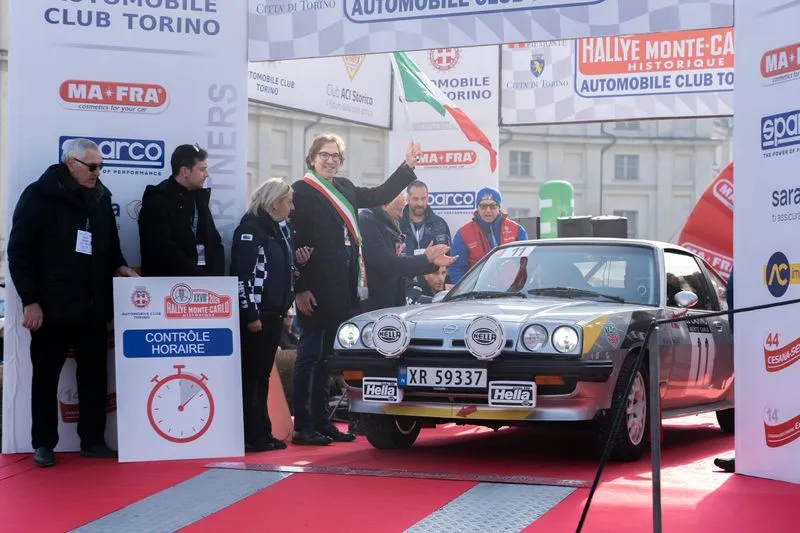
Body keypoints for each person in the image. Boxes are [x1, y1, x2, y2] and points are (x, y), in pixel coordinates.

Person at [7, 138, 138, 467]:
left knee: (94, 376)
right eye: (91, 166)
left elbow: (110, 244)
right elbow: (19, 252)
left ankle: (93, 441)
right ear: (71, 164)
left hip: (92, 306)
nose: (97, 172)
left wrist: (120, 266)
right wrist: (31, 301)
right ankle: (43, 444)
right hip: (51, 308)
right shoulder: (39, 196)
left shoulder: (101, 195)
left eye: (101, 166)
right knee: (46, 377)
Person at [290, 133, 421, 446]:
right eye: (325, 155)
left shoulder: (345, 188)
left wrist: (407, 166)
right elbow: (293, 244)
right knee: (308, 356)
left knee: (328, 358)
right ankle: (303, 424)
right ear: (312, 158)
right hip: (313, 290)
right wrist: (300, 288)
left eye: (336, 155)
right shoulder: (300, 191)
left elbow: (379, 194)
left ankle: (323, 421)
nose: (331, 160)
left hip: (343, 288)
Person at [230, 178, 312, 452]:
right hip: (258, 317)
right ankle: (253, 434)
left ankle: (262, 432)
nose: (291, 207)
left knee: (261, 375)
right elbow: (244, 277)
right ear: (275, 202)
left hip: (273, 313)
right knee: (253, 376)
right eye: (288, 201)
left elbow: (278, 270)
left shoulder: (278, 230)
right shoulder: (251, 229)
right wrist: (251, 315)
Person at [360, 191, 456, 311]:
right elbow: (389, 265)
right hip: (375, 302)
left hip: (393, 300)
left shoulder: (390, 222)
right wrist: (426, 258)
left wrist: (432, 263)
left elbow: (402, 263)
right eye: (398, 209)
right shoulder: (367, 223)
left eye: (402, 209)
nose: (401, 215)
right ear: (385, 205)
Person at [138, 144, 224, 277]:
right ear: (185, 171)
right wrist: (197, 276)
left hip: (203, 288)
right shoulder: (157, 199)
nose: (206, 175)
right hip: (166, 288)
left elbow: (214, 242)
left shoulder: (199, 199)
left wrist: (214, 277)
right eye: (202, 169)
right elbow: (162, 249)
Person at [448, 187, 529, 283]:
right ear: (477, 207)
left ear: (499, 207)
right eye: (483, 206)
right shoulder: (463, 234)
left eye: (493, 206)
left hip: (511, 290)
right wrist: (466, 293)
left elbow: (526, 263)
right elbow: (457, 269)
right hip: (478, 292)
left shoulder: (516, 230)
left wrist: (520, 286)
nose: (488, 210)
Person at [714, 269, 735, 473]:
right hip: (743, 331)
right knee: (749, 399)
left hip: (769, 330)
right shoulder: (745, 256)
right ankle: (749, 453)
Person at [400, 180, 451, 256]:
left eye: (423, 198)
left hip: (432, 268)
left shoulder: (439, 223)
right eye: (415, 199)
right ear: (407, 199)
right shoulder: (397, 224)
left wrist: (442, 267)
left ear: (428, 198)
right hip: (404, 267)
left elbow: (448, 254)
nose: (420, 203)